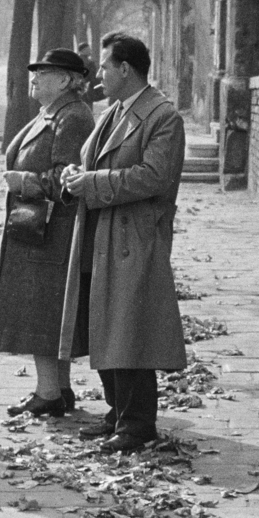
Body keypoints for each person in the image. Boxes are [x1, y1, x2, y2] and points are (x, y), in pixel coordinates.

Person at [58, 32, 187, 454]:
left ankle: (138, 423)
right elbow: (98, 162)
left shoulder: (162, 115)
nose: (98, 75)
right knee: (102, 324)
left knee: (130, 329)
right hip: (102, 230)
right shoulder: (114, 111)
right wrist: (75, 176)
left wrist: (92, 182)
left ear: (125, 69)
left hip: (133, 234)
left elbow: (154, 177)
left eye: (104, 67)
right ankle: (117, 413)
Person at [0, 48, 96, 416]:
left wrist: (26, 181)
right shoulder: (53, 113)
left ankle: (48, 393)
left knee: (43, 311)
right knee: (45, 310)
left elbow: (67, 180)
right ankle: (58, 390)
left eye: (42, 73)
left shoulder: (73, 117)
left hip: (53, 230)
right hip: (37, 227)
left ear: (65, 80)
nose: (33, 78)